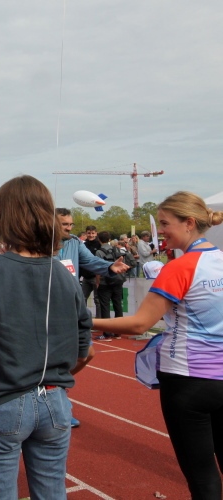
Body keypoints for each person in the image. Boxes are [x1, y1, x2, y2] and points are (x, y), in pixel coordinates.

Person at [0, 175, 91, 500]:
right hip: (56, 402)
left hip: (4, 401)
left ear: (6, 217)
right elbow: (83, 347)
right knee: (52, 491)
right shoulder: (64, 275)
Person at [94, 191, 223, 499]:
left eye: (165, 224)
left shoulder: (179, 267)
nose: (160, 232)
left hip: (188, 380)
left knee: (202, 475)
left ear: (189, 223)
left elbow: (139, 324)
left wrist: (82, 321)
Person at [55, 209, 128, 425]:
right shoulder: (37, 244)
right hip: (50, 308)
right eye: (65, 224)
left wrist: (110, 267)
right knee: (53, 358)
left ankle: (55, 386)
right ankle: (54, 399)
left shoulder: (75, 242)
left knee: (87, 354)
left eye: (71, 224)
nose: (69, 228)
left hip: (73, 306)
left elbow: (90, 261)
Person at [94, 231, 126, 340]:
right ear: (109, 239)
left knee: (105, 306)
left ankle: (107, 332)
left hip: (105, 281)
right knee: (118, 305)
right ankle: (119, 331)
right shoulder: (116, 249)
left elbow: (98, 268)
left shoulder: (99, 252)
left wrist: (97, 281)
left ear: (99, 239)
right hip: (117, 280)